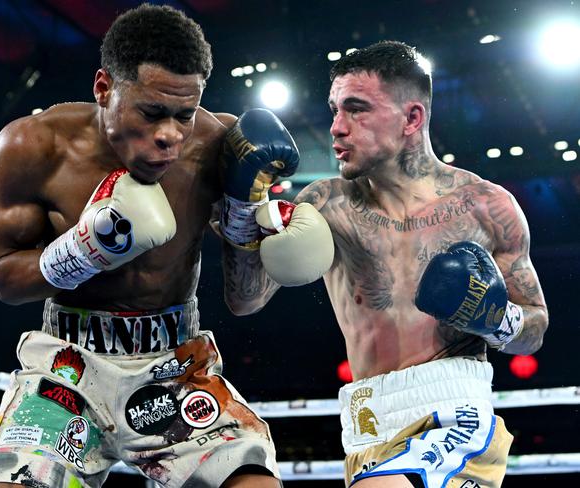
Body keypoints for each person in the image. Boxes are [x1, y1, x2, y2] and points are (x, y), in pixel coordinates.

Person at [0, 4, 332, 488]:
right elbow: (4, 280)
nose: (170, 136)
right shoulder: (33, 147)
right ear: (104, 88)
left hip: (176, 366)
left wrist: (246, 223)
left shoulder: (217, 145)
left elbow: (245, 302)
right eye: (152, 112)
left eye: (185, 115)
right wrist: (82, 251)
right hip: (66, 368)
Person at [234, 41, 549, 487]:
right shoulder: (324, 205)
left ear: (412, 118)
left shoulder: (485, 207)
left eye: (357, 109)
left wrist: (497, 318)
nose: (336, 128)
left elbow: (535, 329)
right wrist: (241, 217)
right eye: (334, 110)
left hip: (453, 413)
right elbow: (246, 301)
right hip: (365, 426)